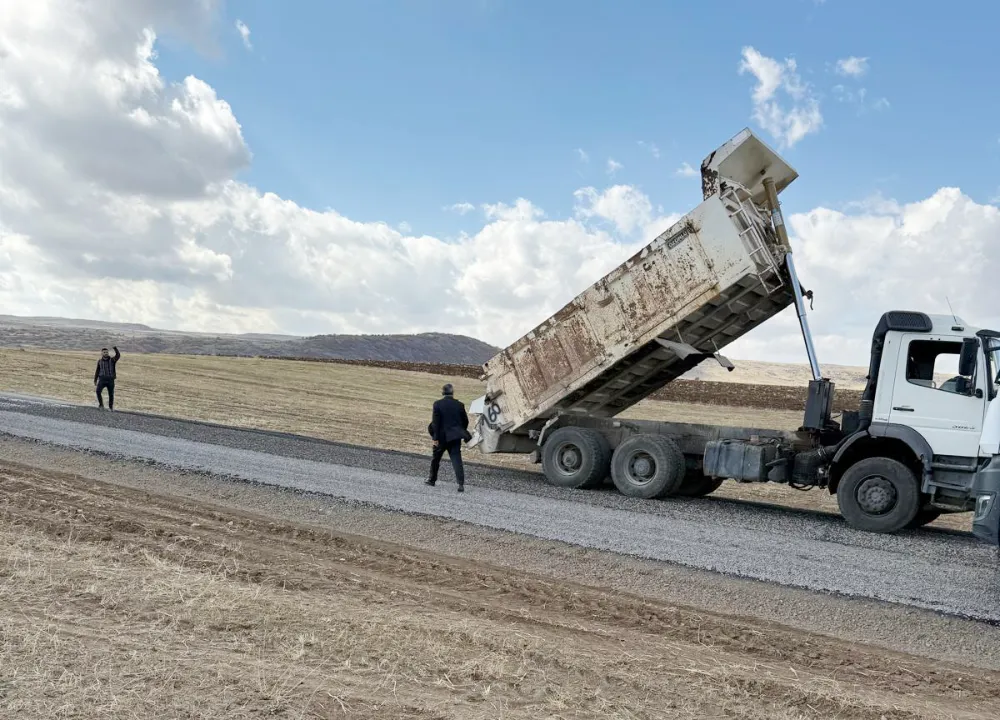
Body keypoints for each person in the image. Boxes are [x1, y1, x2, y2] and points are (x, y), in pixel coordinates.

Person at [426, 383, 470, 492]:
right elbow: (465, 421)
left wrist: (435, 438)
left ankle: (432, 480)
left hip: (441, 438)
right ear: (452, 393)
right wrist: (460, 432)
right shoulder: (460, 405)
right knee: (457, 460)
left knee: (436, 458)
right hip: (455, 437)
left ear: (443, 393)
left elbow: (436, 423)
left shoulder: (437, 404)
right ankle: (460, 484)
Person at [94, 346, 120, 410]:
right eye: (104, 352)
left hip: (110, 380)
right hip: (102, 379)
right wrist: (95, 380)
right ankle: (101, 405)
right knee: (98, 391)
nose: (106, 353)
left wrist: (115, 348)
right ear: (102, 353)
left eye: (107, 352)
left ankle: (110, 407)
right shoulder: (99, 361)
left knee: (111, 394)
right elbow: (97, 371)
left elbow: (118, 355)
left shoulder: (112, 360)